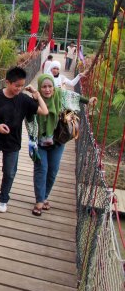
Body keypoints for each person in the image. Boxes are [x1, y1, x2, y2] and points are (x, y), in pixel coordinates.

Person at [0, 66, 48, 213]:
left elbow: (44, 111)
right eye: (17, 85)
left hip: (13, 142)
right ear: (7, 82)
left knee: (9, 172)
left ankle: (3, 199)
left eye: (22, 85)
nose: (19, 88)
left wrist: (36, 94)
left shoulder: (23, 100)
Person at [26, 74, 97, 216]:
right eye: (44, 87)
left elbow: (74, 97)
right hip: (39, 142)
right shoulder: (34, 100)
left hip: (58, 140)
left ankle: (45, 196)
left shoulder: (60, 95)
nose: (47, 90)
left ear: (54, 86)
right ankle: (39, 201)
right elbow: (27, 117)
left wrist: (88, 101)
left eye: (50, 86)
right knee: (42, 169)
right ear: (39, 87)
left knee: (53, 171)